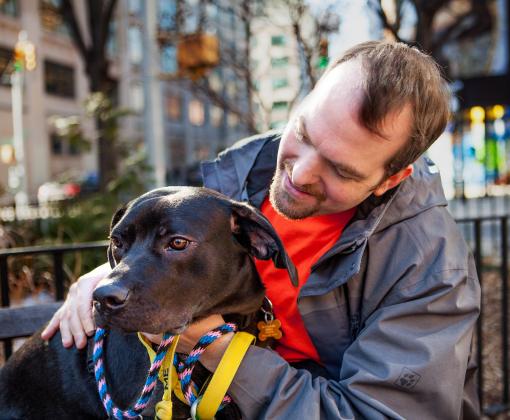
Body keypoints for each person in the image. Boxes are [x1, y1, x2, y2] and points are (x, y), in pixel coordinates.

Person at [42, 41, 480, 419]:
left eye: (340, 170)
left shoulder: (429, 268)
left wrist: (219, 351)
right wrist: (112, 272)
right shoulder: (238, 180)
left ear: (390, 179)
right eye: (304, 133)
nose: (298, 173)